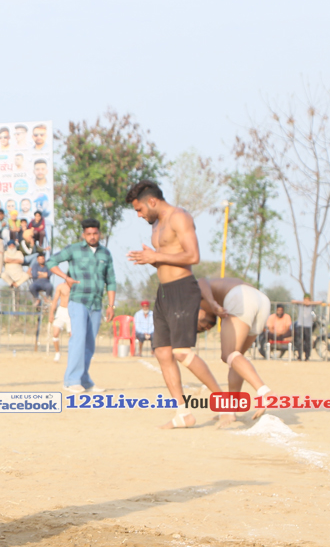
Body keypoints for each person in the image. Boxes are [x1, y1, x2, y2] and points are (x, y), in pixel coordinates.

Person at [125, 181, 224, 428]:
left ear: (152, 201)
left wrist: (156, 255)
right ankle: (183, 414)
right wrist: (151, 260)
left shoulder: (180, 217)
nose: (139, 215)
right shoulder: (156, 225)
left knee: (181, 352)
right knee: (162, 352)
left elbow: (193, 256)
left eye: (139, 210)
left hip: (183, 289)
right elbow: (167, 259)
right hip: (164, 292)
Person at [45, 218, 116, 395]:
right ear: (83, 234)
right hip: (78, 300)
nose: (92, 237)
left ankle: (84, 380)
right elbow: (51, 262)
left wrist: (111, 305)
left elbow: (111, 281)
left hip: (96, 303)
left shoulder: (105, 253)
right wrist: (65, 277)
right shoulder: (74, 249)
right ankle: (71, 380)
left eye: (95, 233)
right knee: (78, 338)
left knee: (90, 343)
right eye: (88, 234)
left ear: (99, 234)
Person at [194, 277, 274, 419]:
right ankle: (231, 409)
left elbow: (201, 280)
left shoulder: (196, 297)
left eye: (201, 326)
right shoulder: (215, 300)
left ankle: (264, 392)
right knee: (236, 358)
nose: (206, 327)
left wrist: (212, 303)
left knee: (228, 354)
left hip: (241, 296)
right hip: (262, 300)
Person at [293, 294, 321, 361]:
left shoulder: (312, 305)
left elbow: (319, 302)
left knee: (308, 341)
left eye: (308, 299)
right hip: (300, 325)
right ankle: (299, 356)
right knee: (300, 341)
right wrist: (303, 302)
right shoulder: (301, 305)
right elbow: (293, 301)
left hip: (308, 326)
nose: (306, 301)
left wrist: (310, 303)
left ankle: (307, 357)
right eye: (305, 299)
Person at [49, 280, 71, 362]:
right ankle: (57, 353)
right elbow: (55, 300)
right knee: (55, 333)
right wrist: (51, 313)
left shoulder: (75, 287)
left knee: (71, 334)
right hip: (61, 310)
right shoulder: (60, 286)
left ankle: (72, 354)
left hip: (71, 311)